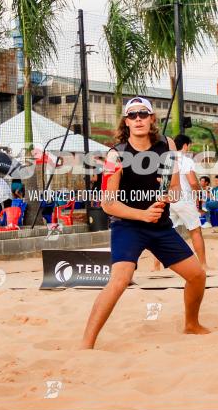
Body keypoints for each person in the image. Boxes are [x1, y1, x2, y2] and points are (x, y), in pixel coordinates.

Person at [81, 97, 208, 349]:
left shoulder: (167, 145)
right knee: (120, 280)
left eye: (143, 114)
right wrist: (142, 214)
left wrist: (167, 197)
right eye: (132, 115)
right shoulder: (115, 155)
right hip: (128, 225)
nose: (138, 119)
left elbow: (173, 188)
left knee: (197, 275)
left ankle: (191, 324)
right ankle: (86, 343)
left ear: (152, 119)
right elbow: (108, 204)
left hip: (159, 226)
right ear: (125, 122)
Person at [168, 134, 207, 269]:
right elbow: (193, 182)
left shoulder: (166, 160)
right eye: (189, 145)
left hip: (169, 199)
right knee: (195, 231)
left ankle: (155, 267)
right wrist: (199, 193)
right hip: (184, 199)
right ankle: (203, 264)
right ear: (185, 145)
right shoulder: (186, 160)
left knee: (162, 232)